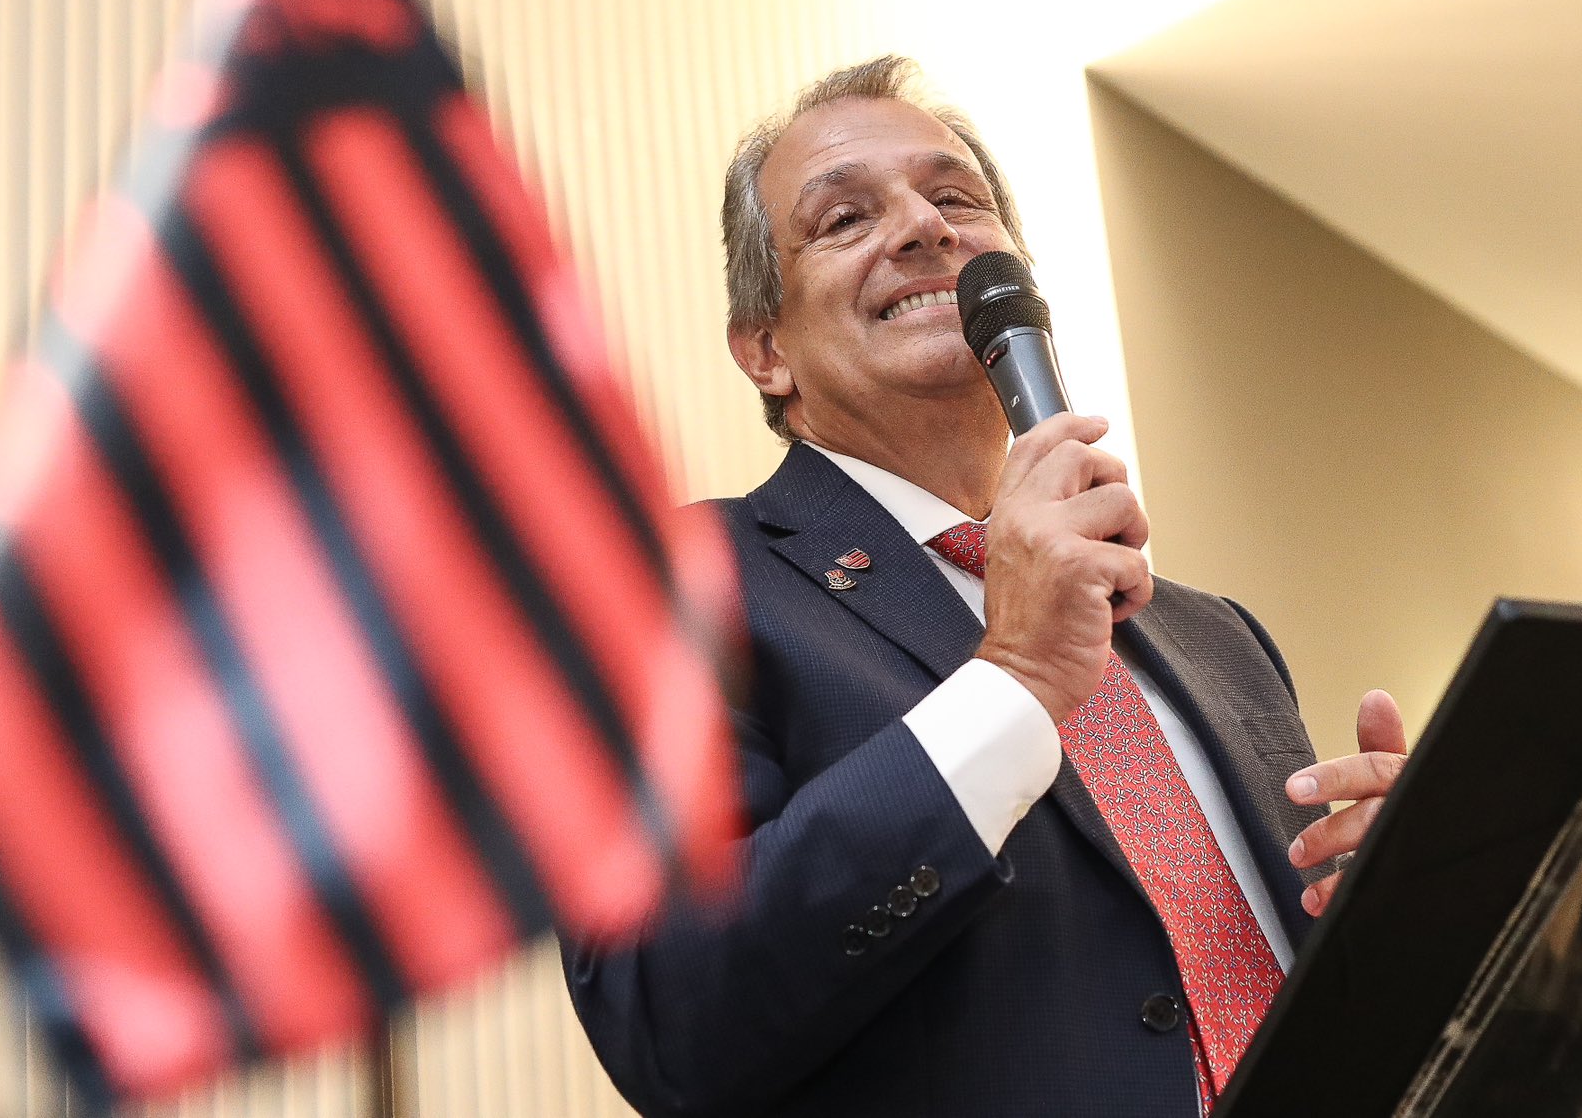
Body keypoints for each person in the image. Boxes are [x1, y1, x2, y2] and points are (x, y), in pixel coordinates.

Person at [561, 56, 1408, 1118]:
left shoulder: (1216, 635)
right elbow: (665, 1016)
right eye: (841, 217)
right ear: (764, 348)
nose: (921, 226)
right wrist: (1010, 679)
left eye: (954, 197)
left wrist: (1395, 899)